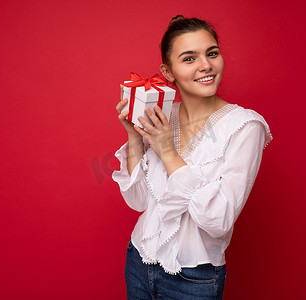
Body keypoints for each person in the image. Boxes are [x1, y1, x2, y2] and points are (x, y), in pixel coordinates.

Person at [112, 15, 273, 300]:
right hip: (139, 261)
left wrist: (168, 152)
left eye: (212, 53)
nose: (206, 65)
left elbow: (218, 220)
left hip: (193, 280)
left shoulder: (245, 126)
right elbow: (138, 201)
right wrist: (134, 136)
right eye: (189, 58)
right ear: (168, 72)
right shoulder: (164, 117)